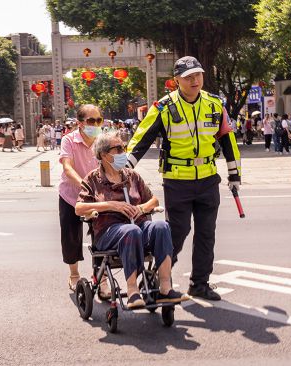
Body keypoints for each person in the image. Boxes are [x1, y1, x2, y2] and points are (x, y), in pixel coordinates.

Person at [127, 56, 241, 301]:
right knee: (177, 233)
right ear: (176, 80)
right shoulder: (164, 107)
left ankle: (200, 283)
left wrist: (234, 173)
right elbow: (140, 139)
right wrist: (121, 169)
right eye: (188, 77)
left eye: (198, 75)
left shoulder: (214, 104)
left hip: (208, 178)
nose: (195, 80)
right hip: (177, 180)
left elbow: (227, 139)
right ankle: (159, 276)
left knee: (206, 234)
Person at [75, 132, 189, 308]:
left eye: (124, 147)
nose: (123, 152)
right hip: (108, 232)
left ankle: (166, 287)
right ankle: (133, 291)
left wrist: (141, 208)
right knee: (131, 231)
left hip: (138, 225)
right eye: (119, 148)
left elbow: (154, 200)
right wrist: (111, 205)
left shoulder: (132, 176)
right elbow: (79, 208)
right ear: (104, 155)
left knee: (161, 226)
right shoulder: (92, 179)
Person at [59, 104, 110, 297]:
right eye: (91, 121)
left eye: (98, 120)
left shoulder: (103, 141)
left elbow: (113, 165)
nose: (95, 124)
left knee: (103, 236)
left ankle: (102, 278)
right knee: (71, 236)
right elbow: (67, 167)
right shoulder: (68, 140)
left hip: (98, 197)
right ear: (80, 123)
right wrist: (85, 185)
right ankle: (74, 275)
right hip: (71, 195)